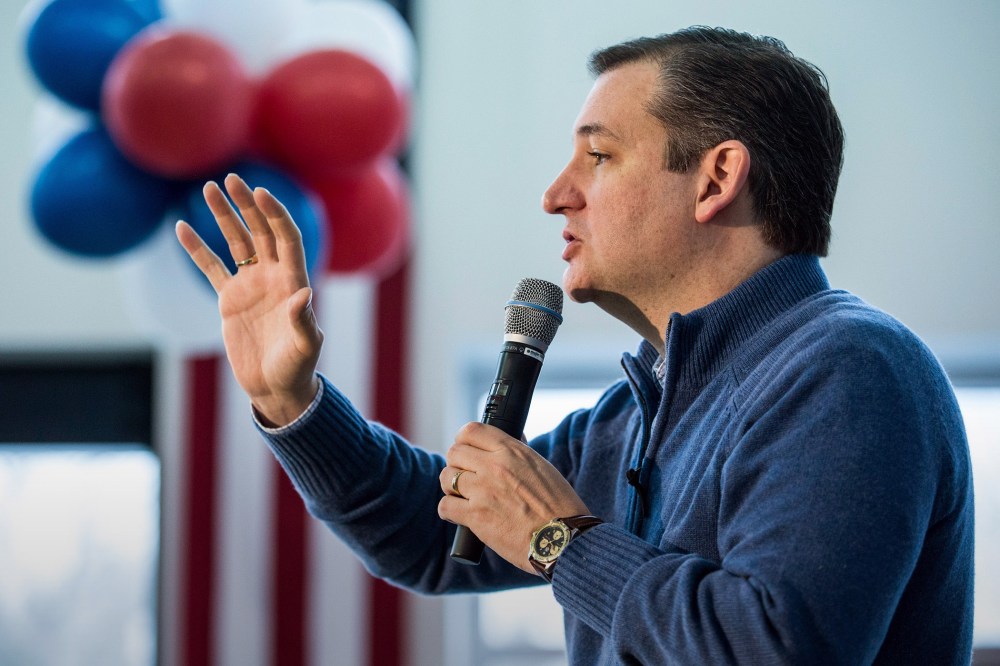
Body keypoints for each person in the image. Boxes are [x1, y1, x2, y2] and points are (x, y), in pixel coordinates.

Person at [176, 26, 975, 665]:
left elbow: (772, 649)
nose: (557, 194)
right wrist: (292, 403)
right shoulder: (637, 411)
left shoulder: (849, 369)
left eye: (598, 155)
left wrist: (562, 541)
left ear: (716, 177)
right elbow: (431, 534)